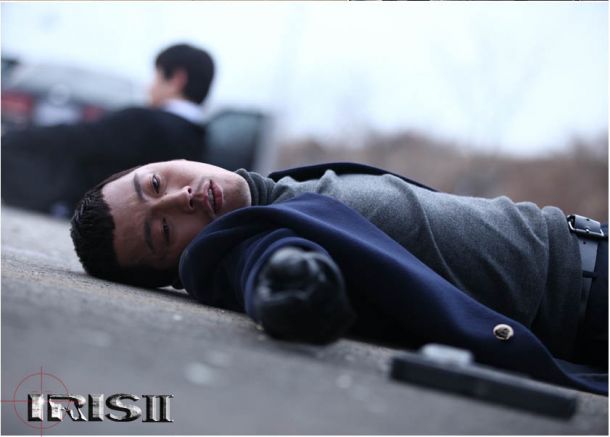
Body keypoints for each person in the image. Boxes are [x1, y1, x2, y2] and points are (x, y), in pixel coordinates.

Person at [69, 159, 608, 395]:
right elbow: (267, 259)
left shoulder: (275, 189)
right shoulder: (240, 242)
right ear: (177, 270)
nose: (180, 197)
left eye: (155, 183)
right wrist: (290, 281)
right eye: (164, 231)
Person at [1, 44, 214, 216]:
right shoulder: (201, 139)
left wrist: (13, 137)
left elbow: (79, 137)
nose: (149, 87)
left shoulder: (142, 120)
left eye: (156, 77)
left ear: (177, 79)